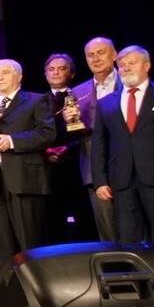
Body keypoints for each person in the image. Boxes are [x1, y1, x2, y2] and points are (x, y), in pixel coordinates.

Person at [91, 45, 154, 247]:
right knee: (128, 240)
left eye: (132, 63)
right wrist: (100, 181)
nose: (126, 68)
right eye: (122, 65)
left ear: (146, 66)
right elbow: (99, 146)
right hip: (122, 180)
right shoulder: (106, 103)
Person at [0, 59, 56, 281]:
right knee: (1, 246)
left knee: (30, 242)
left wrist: (12, 140)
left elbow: (47, 134)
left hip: (24, 181)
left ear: (19, 76)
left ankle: (37, 290)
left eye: (5, 73)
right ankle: (8, 293)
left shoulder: (36, 100)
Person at [68, 36, 121, 242]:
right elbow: (74, 132)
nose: (95, 59)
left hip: (130, 162)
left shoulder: (128, 83)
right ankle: (115, 262)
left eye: (101, 53)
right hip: (94, 167)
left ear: (114, 55)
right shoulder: (77, 92)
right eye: (90, 55)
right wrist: (69, 122)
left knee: (137, 225)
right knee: (107, 230)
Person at [41, 53, 97, 243]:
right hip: (49, 173)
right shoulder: (37, 102)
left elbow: (90, 132)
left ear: (71, 73)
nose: (56, 72)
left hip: (78, 169)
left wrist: (69, 149)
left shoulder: (83, 97)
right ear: (46, 74)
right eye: (51, 69)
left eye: (61, 68)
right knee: (53, 228)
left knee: (86, 225)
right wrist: (45, 151)